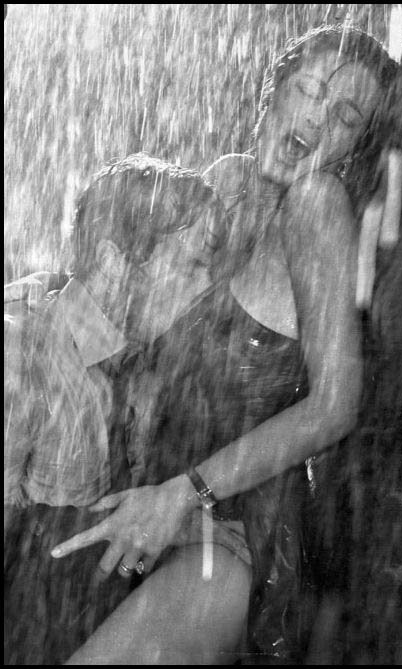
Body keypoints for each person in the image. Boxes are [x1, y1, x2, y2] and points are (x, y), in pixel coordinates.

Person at [46, 26, 398, 665]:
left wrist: (186, 493)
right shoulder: (230, 184)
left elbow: (336, 406)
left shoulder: (316, 204)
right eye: (308, 89)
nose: (316, 118)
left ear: (353, 149)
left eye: (345, 117)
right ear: (272, 92)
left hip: (239, 534)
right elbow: (134, 295)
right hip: (162, 509)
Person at [4, 154, 232, 665]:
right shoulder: (18, 357)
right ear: (112, 263)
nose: (206, 287)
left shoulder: (152, 367)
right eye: (192, 265)